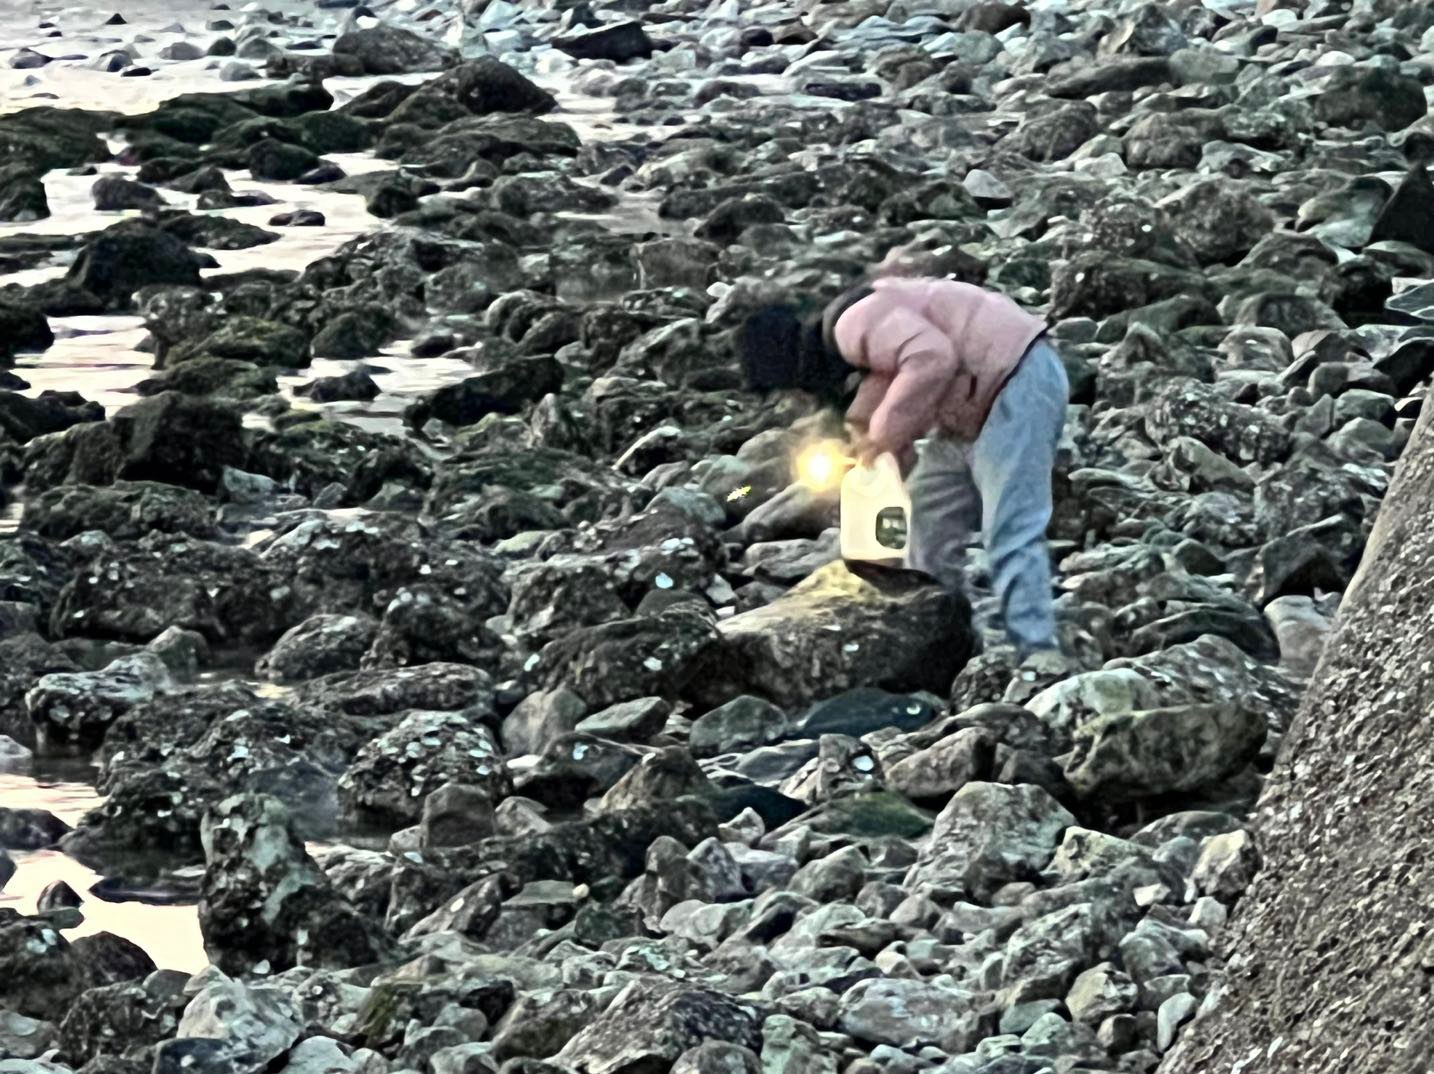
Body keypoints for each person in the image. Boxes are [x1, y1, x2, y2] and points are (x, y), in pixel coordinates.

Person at [738, 276, 1068, 661]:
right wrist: (874, 444)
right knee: (924, 520)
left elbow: (931, 357)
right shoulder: (852, 347)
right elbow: (898, 386)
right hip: (970, 407)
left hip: (1016, 378)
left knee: (1009, 527)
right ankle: (943, 639)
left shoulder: (852, 324)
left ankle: (1037, 655)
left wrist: (882, 436)